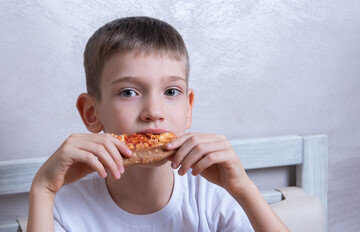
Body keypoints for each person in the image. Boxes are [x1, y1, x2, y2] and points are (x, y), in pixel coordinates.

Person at [27, 16, 289, 232]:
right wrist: (42, 189)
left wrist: (243, 189)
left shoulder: (215, 197)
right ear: (92, 113)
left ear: (189, 107)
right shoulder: (62, 208)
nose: (153, 112)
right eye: (128, 92)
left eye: (172, 92)